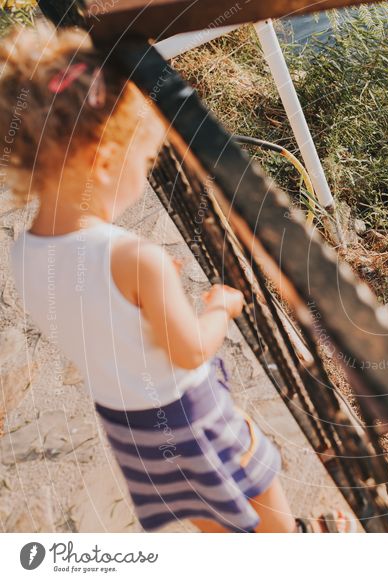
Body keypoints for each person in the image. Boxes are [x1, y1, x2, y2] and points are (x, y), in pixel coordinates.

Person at [2, 22, 354, 533]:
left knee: (202, 504)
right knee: (253, 473)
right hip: (188, 413)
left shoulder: (24, 254)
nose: (146, 175)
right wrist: (219, 307)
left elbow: (91, 313)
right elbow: (190, 351)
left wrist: (137, 297)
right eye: (145, 161)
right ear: (103, 162)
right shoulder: (133, 257)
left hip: (128, 427)